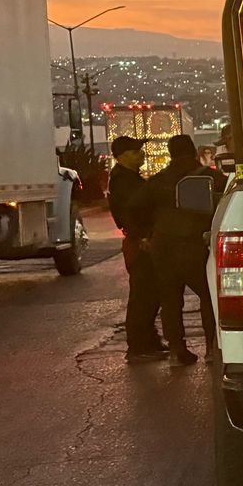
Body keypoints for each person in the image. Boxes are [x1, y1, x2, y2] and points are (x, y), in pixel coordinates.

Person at [133, 134, 224, 366]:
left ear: (171, 153)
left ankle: (176, 351)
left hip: (163, 245)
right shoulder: (212, 178)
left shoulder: (158, 180)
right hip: (196, 244)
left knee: (170, 299)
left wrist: (145, 234)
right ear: (193, 151)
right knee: (207, 294)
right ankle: (212, 349)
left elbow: (134, 206)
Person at [107, 136, 167, 363]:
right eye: (135, 151)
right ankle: (139, 346)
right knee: (143, 296)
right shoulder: (123, 181)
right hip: (140, 242)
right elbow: (133, 211)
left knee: (151, 295)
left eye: (140, 150)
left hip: (145, 240)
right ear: (121, 156)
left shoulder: (130, 178)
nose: (141, 154)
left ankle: (149, 341)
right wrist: (142, 236)